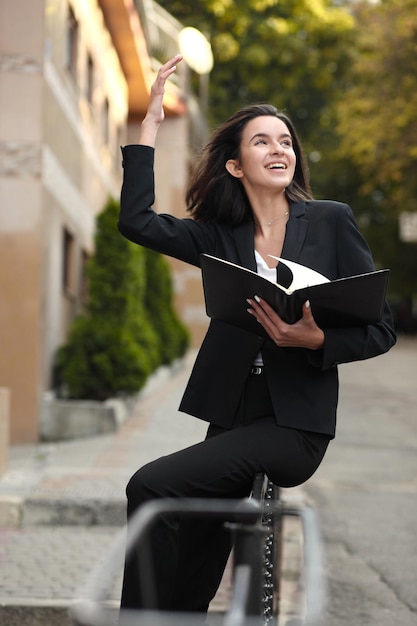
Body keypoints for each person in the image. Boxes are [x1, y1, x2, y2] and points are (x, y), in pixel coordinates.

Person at [117, 55, 396, 617]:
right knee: (202, 536)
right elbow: (137, 222)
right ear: (236, 165)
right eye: (262, 142)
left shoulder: (332, 221)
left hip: (294, 427)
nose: (278, 150)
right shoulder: (220, 236)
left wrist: (316, 342)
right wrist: (147, 129)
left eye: (286, 141)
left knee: (149, 485)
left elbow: (382, 327)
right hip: (232, 416)